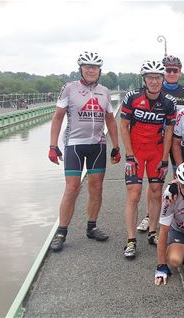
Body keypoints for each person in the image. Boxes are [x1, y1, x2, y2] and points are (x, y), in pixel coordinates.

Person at [48, 51, 120, 252]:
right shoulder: (69, 88)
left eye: (94, 67)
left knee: (96, 188)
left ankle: (92, 226)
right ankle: (61, 231)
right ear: (80, 69)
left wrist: (116, 146)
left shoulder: (104, 91)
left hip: (97, 145)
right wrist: (53, 146)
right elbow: (57, 117)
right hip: (74, 145)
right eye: (87, 67)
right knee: (72, 188)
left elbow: (111, 120)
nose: (91, 70)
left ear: (99, 71)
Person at [120, 60, 177, 258]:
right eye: (150, 78)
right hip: (136, 151)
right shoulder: (132, 97)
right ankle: (130, 239)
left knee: (156, 191)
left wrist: (163, 160)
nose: (154, 81)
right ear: (144, 79)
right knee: (134, 193)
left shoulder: (169, 102)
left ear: (163, 79)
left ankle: (153, 231)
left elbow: (169, 132)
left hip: (156, 151)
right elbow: (123, 127)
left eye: (158, 77)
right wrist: (129, 155)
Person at [138, 55, 184, 233]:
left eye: (175, 70)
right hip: (158, 142)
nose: (172, 73)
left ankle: (180, 214)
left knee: (180, 177)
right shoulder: (155, 90)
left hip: (177, 142)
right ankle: (148, 216)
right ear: (163, 72)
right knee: (154, 184)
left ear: (180, 72)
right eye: (168, 70)